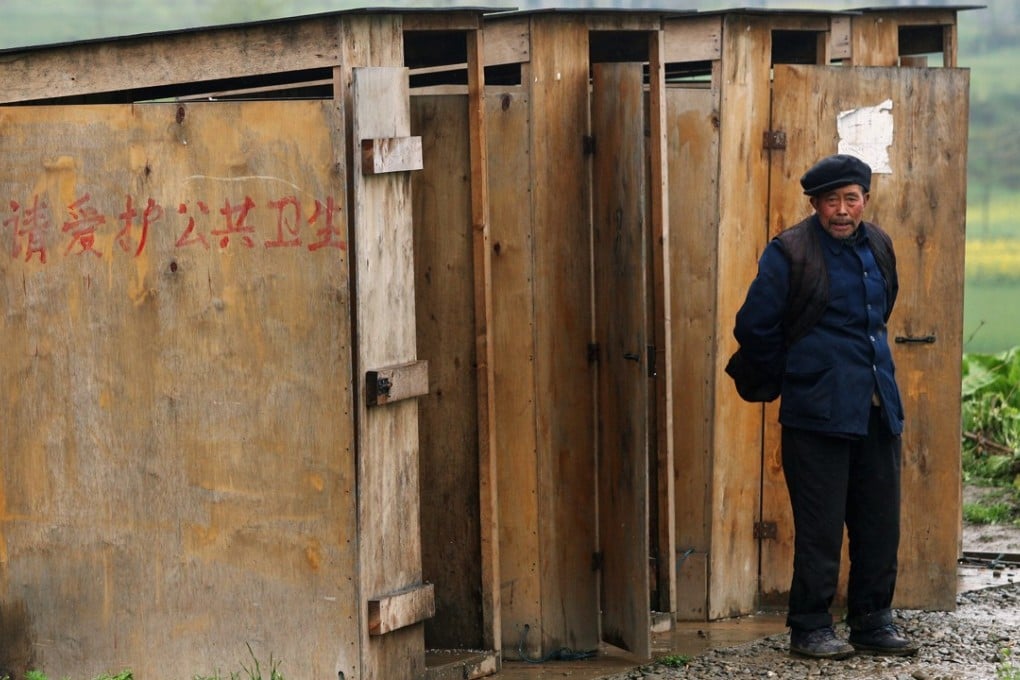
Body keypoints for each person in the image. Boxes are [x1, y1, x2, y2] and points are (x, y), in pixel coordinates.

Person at [730, 154, 919, 660]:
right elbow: (754, 327)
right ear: (815, 203)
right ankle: (810, 626)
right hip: (816, 414)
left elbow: (880, 310)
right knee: (820, 526)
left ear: (864, 200)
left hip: (878, 407)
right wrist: (798, 374)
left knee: (879, 522)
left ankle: (873, 620)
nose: (842, 210)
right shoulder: (789, 252)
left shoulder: (878, 243)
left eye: (851, 199)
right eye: (831, 200)